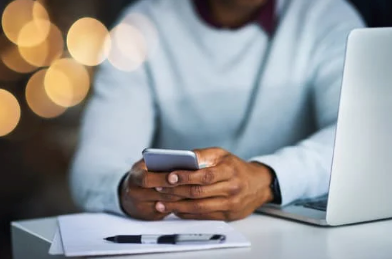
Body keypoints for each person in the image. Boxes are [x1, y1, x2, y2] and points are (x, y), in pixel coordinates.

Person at [70, 0, 364, 221]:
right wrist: (126, 190)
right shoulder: (139, 27)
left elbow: (364, 138)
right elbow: (92, 167)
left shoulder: (327, 16)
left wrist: (267, 179)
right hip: (183, 236)